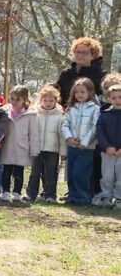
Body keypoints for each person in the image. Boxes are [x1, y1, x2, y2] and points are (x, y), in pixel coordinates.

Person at [62, 77, 100, 205]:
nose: (79, 95)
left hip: (86, 148)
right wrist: (69, 138)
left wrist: (85, 142)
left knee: (81, 173)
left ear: (90, 92)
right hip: (72, 147)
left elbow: (95, 127)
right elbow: (65, 124)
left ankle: (83, 198)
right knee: (71, 173)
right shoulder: (71, 109)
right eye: (76, 92)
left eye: (82, 92)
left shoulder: (95, 109)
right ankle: (72, 196)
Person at [26, 84, 66, 204]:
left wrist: (63, 152)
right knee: (35, 173)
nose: (48, 103)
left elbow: (62, 136)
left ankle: (50, 195)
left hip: (53, 150)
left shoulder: (59, 117)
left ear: (56, 101)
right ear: (40, 100)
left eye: (51, 101)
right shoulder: (35, 115)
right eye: (45, 100)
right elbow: (30, 133)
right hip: (37, 149)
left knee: (51, 173)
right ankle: (30, 194)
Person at [0, 85, 39, 201]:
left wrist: (34, 150)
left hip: (22, 148)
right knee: (6, 171)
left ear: (24, 100)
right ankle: (5, 191)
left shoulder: (31, 115)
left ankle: (17, 192)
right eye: (12, 99)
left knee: (18, 172)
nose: (14, 102)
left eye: (18, 99)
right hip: (7, 147)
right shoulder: (4, 111)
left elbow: (33, 134)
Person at [55, 36, 107, 106]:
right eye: (78, 52)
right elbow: (56, 95)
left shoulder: (101, 75)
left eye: (85, 53)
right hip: (68, 111)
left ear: (93, 55)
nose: (80, 55)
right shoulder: (66, 74)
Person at [94, 84, 121, 208]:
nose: (117, 100)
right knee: (107, 176)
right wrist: (106, 147)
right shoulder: (104, 114)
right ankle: (106, 196)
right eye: (114, 98)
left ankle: (119, 199)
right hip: (107, 152)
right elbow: (100, 132)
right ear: (108, 99)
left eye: (120, 97)